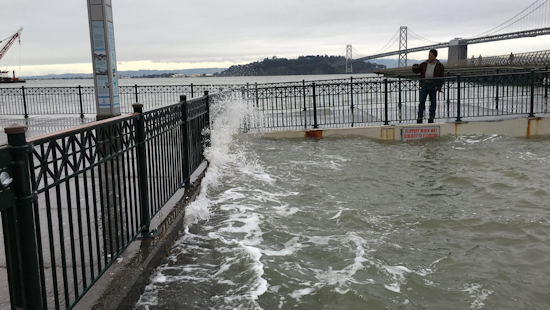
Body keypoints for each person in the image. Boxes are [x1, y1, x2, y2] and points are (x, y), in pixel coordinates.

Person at [412, 49, 445, 123]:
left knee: (433, 102)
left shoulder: (440, 65)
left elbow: (441, 77)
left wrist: (439, 86)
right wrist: (414, 68)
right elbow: (417, 71)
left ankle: (431, 117)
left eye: (431, 55)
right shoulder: (424, 64)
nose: (429, 56)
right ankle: (420, 117)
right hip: (425, 85)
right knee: (422, 101)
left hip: (433, 85)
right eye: (429, 55)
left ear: (435, 56)